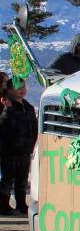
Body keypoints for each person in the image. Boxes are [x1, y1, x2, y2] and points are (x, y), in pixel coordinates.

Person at [0, 82, 37, 215]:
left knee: (22, 179)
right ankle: (3, 205)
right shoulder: (7, 105)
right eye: (18, 88)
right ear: (10, 89)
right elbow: (3, 126)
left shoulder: (28, 107)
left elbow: (33, 126)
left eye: (23, 87)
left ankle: (21, 204)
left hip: (25, 149)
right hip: (9, 150)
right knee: (8, 178)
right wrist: (7, 110)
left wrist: (32, 143)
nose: (22, 90)